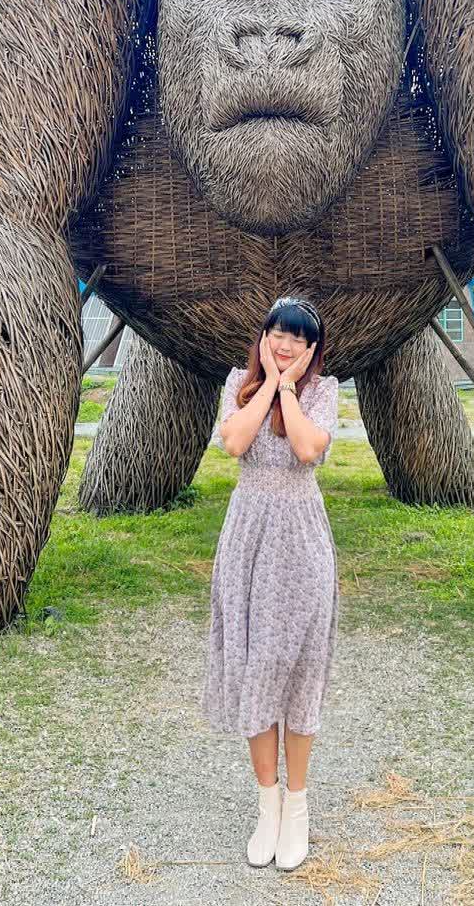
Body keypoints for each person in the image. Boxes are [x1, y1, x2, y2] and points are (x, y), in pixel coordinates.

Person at [202, 295, 340, 871]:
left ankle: (298, 808)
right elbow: (234, 443)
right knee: (255, 667)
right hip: (248, 538)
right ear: (263, 337)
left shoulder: (324, 392)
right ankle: (267, 806)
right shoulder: (239, 382)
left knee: (301, 672)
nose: (285, 344)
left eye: (298, 339)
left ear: (312, 350)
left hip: (302, 540)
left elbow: (308, 450)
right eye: (277, 334)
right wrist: (266, 384)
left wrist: (289, 388)